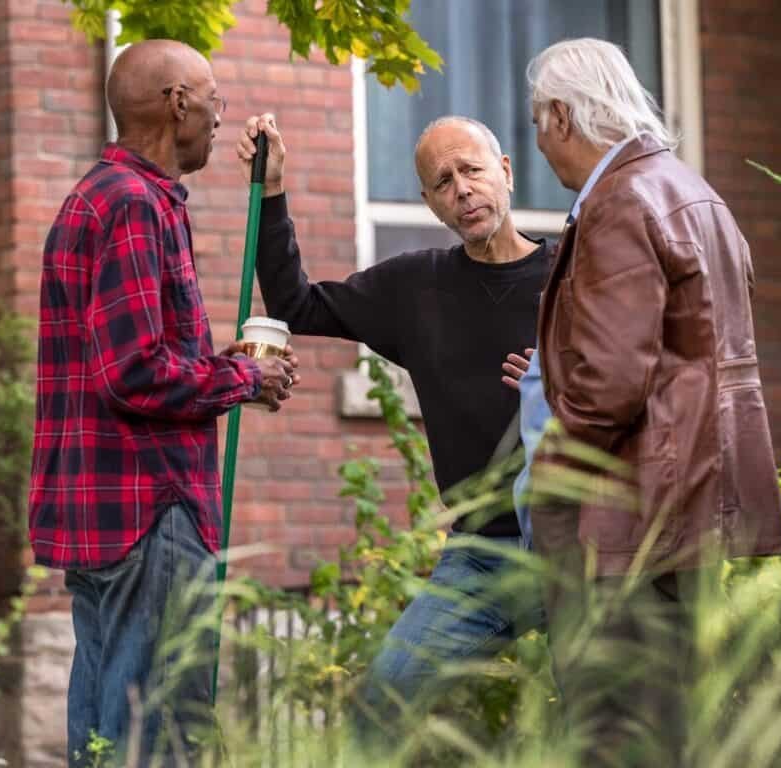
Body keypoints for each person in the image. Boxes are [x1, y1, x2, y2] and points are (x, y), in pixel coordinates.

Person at [28, 39, 300, 767]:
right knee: (159, 735)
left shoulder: (103, 197)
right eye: (213, 96)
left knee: (104, 728)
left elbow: (132, 360)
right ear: (177, 101)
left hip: (109, 512)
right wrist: (244, 381)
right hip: (149, 509)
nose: (220, 114)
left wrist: (221, 364)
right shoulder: (132, 204)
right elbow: (135, 372)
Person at [235, 114, 549, 742]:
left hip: (578, 545)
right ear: (430, 203)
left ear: (506, 173)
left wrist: (561, 380)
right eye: (442, 181)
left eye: (472, 170)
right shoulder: (417, 287)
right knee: (381, 707)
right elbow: (297, 305)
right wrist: (270, 192)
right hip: (482, 555)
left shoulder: (571, 277)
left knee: (606, 723)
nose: (461, 188)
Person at [522, 38, 781, 765]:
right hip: (699, 512)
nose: (539, 144)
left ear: (561, 117)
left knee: (616, 735)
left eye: (538, 124)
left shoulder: (618, 203)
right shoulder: (696, 192)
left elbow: (609, 382)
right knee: (680, 732)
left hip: (632, 522)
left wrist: (547, 478)